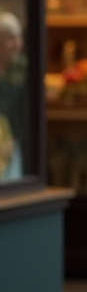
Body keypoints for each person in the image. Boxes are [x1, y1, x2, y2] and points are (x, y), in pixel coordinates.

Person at [0, 12, 25, 179]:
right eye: (9, 38)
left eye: (18, 38)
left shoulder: (23, 69)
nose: (16, 44)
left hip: (13, 140)